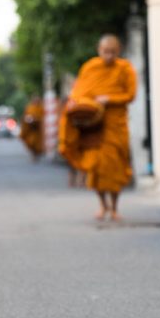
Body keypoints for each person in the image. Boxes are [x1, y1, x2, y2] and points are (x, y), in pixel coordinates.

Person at [63, 34, 137, 221]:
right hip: (94, 126)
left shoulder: (125, 68)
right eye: (105, 52)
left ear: (118, 52)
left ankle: (114, 207)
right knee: (96, 166)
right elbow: (79, 92)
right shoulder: (90, 67)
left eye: (112, 52)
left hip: (115, 124)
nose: (109, 56)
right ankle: (103, 205)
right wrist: (76, 103)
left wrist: (108, 99)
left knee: (115, 167)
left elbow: (130, 95)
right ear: (99, 50)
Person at [20, 95, 44, 161]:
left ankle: (36, 154)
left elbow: (43, 117)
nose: (36, 102)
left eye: (37, 100)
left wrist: (37, 119)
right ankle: (33, 154)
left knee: (37, 144)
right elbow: (25, 116)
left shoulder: (41, 108)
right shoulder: (29, 107)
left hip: (38, 129)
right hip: (30, 129)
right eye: (34, 100)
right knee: (31, 142)